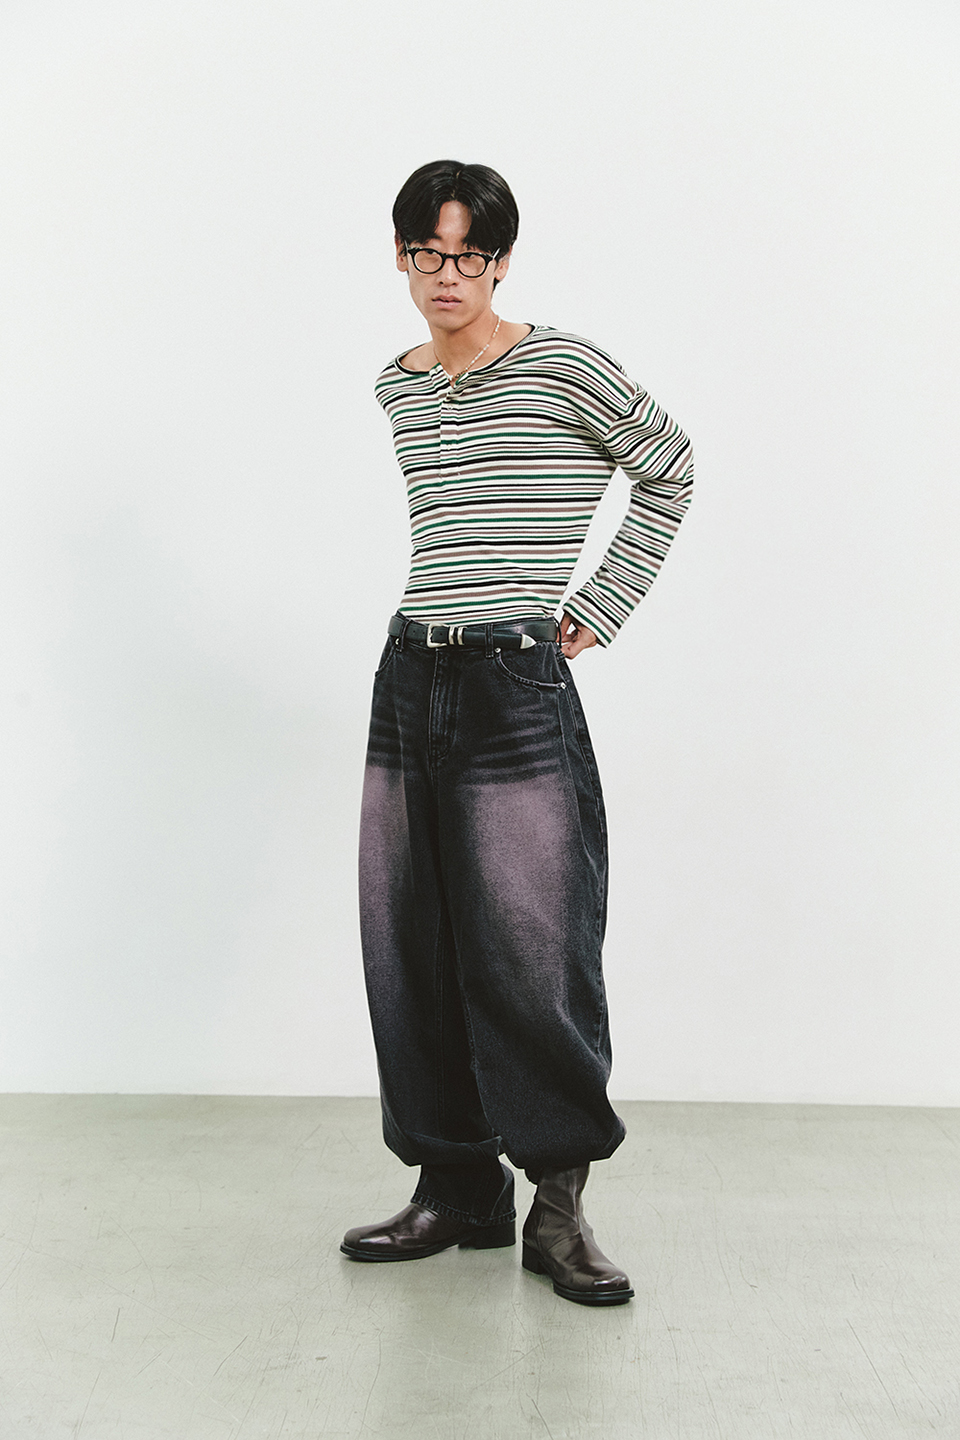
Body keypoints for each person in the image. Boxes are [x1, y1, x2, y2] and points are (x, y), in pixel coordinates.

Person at [340, 160, 693, 1307]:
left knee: (535, 946)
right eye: (429, 254)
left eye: (471, 256)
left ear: (500, 262)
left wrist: (602, 603)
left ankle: (559, 1206)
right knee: (412, 937)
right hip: (410, 674)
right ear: (402, 257)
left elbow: (670, 468)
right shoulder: (397, 384)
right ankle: (458, 1186)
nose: (449, 275)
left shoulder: (565, 366)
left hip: (514, 682)